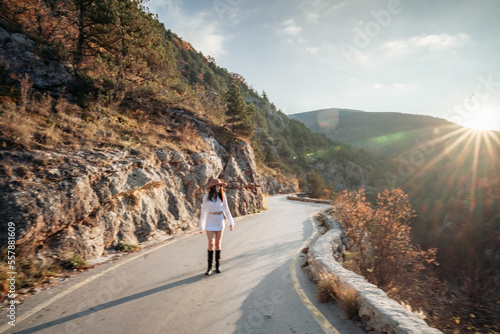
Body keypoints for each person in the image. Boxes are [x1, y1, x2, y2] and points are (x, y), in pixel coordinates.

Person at [199, 178, 234, 276]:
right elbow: (203, 211)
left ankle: (217, 265)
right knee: (211, 243)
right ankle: (209, 267)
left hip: (219, 220)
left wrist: (230, 222)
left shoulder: (222, 196)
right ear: (212, 187)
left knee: (218, 244)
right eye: (217, 186)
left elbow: (226, 210)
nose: (219, 188)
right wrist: (201, 226)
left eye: (220, 186)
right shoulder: (206, 197)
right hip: (209, 221)